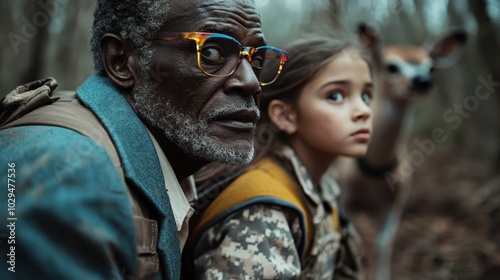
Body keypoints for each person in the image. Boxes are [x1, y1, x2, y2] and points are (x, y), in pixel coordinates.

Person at [0, 0, 288, 279]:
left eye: (256, 59)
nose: (250, 82)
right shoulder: (69, 174)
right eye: (212, 52)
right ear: (122, 61)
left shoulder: (157, 166)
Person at [183, 36, 374, 279]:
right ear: (285, 116)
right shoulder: (262, 215)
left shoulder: (319, 185)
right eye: (335, 96)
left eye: (367, 96)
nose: (363, 111)